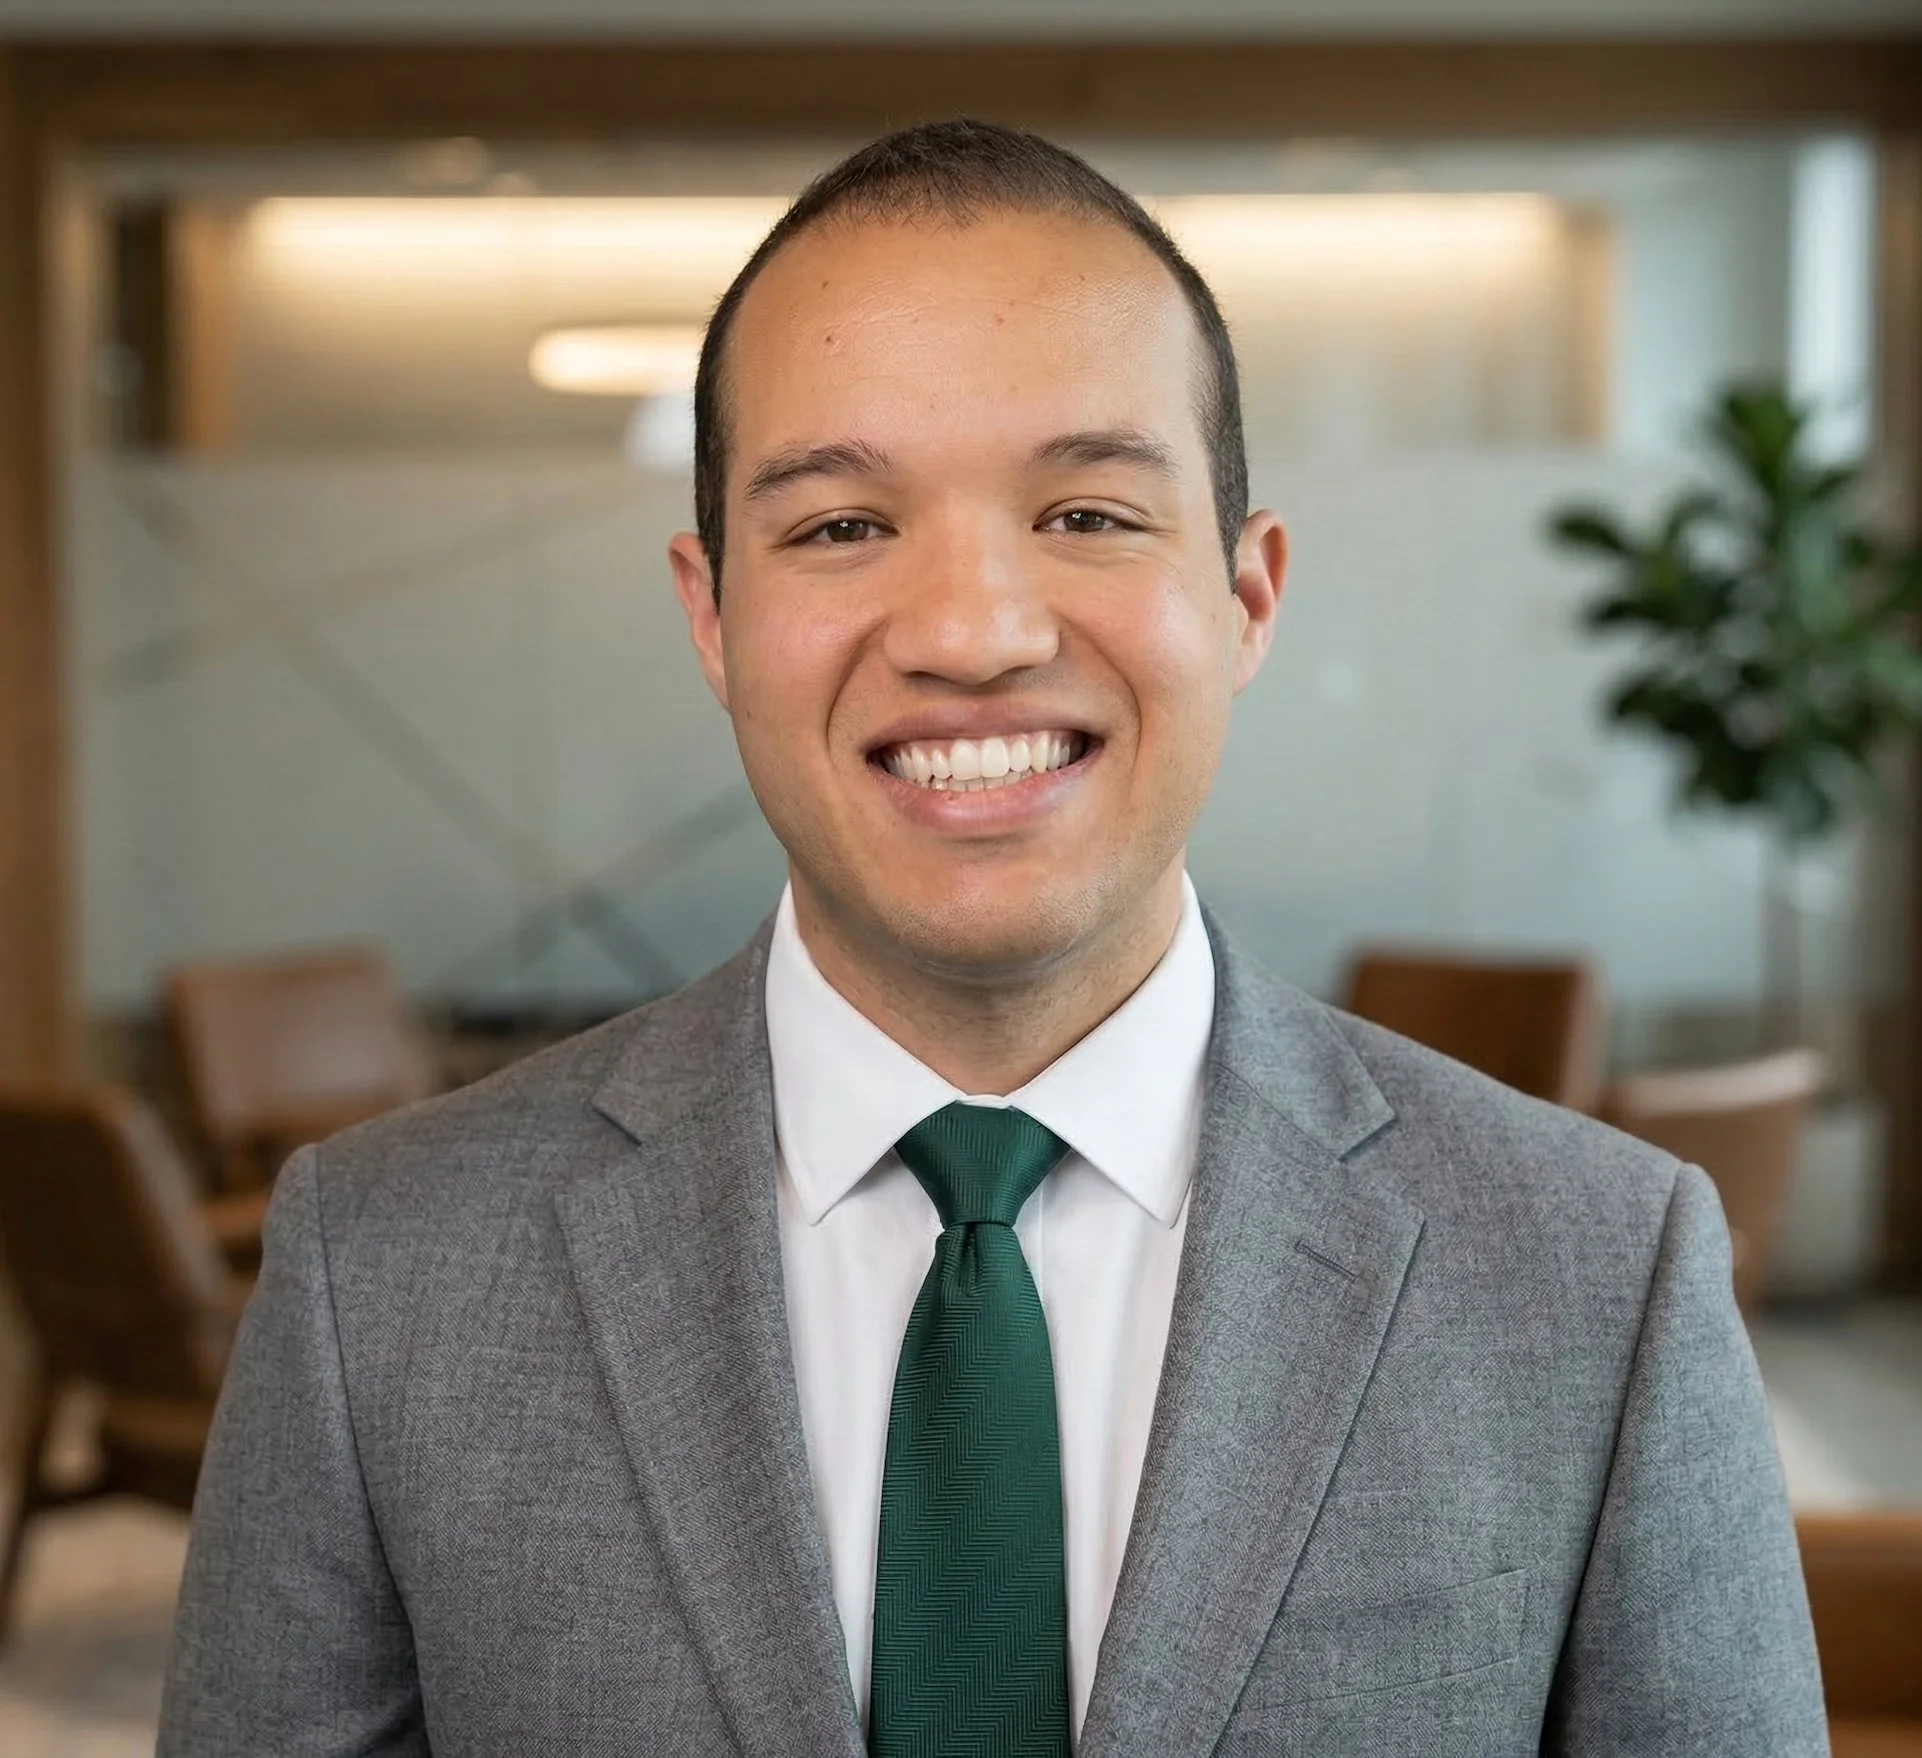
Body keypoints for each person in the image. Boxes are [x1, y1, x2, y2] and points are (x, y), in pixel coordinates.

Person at [159, 120, 1827, 1758]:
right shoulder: (376, 1276)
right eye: (838, 526)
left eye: (1089, 513)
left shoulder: (1594, 1277)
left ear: (1245, 598)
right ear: (709, 612)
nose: (970, 632)